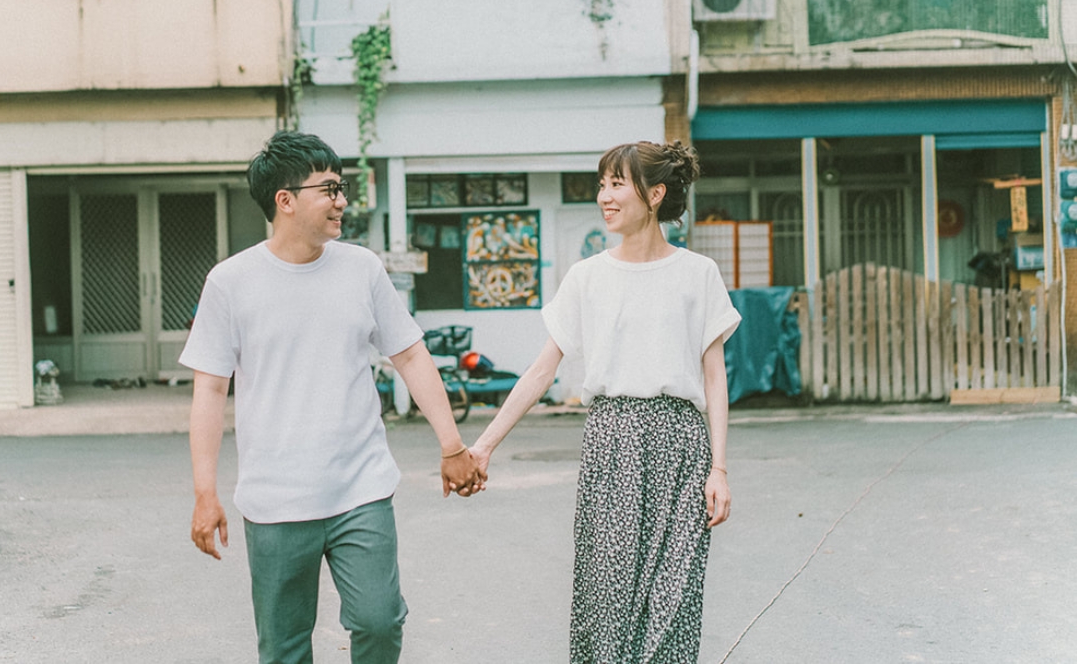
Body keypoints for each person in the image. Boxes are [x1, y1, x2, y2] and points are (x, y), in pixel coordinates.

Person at [181, 131, 484, 664]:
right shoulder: (231, 282)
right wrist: (205, 492)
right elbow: (210, 387)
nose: (342, 201)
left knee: (380, 620)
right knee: (284, 647)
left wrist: (452, 444)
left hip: (359, 488)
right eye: (330, 189)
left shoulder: (360, 268)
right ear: (286, 200)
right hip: (275, 500)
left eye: (342, 188)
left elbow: (410, 354)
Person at [470, 139, 740, 664]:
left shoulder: (697, 274)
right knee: (606, 598)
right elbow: (542, 369)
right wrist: (482, 447)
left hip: (682, 446)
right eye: (603, 184)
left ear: (655, 194)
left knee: (675, 601)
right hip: (611, 443)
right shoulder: (587, 277)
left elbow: (714, 377)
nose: (605, 197)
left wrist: (720, 469)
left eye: (617, 184)